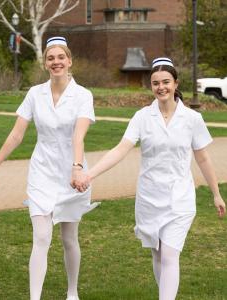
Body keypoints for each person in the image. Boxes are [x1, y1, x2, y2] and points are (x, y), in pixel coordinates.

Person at [73, 57, 226, 300]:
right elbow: (121, 149)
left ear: (176, 84)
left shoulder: (192, 119)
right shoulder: (142, 117)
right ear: (151, 86)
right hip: (149, 198)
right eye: (156, 83)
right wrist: (89, 174)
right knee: (157, 253)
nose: (161, 87)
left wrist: (216, 194)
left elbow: (203, 159)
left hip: (179, 199)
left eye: (166, 82)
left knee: (169, 255)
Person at [0, 36, 98, 300]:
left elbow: (78, 136)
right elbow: (16, 135)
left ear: (69, 61)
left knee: (69, 238)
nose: (56, 62)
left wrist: (77, 168)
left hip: (72, 173)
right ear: (45, 63)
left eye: (60, 57)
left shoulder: (83, 95)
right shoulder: (35, 93)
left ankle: (72, 292)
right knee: (41, 237)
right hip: (41, 173)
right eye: (50, 58)